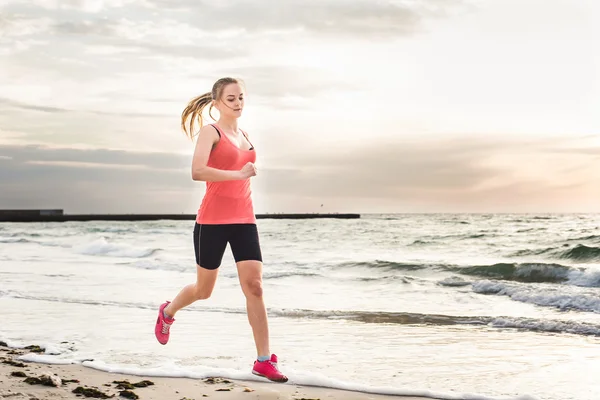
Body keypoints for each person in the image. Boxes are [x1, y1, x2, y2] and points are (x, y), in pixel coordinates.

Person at [154, 77, 288, 383]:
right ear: (217, 103)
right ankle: (168, 311)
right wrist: (238, 173)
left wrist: (243, 174)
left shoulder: (246, 135)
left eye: (241, 97)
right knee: (204, 290)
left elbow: (242, 174)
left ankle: (264, 361)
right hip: (211, 222)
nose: (238, 103)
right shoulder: (209, 132)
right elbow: (197, 171)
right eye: (231, 99)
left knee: (254, 287)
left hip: (245, 220)